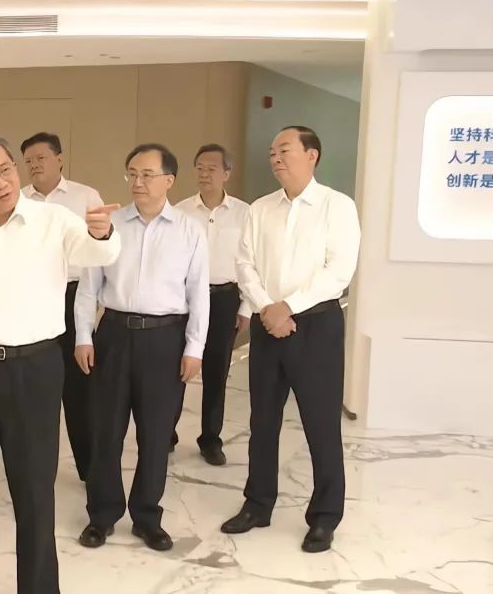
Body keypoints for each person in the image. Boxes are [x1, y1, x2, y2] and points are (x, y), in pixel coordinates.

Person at [0, 131, 121, 593]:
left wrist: (102, 231)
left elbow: (100, 252)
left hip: (34, 368)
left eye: (6, 170)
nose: (1, 183)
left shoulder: (54, 220)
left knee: (33, 490)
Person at [220, 126, 360, 554]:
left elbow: (339, 271)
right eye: (272, 152)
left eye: (284, 150)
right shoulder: (260, 208)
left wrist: (289, 306)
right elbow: (244, 264)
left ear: (311, 155)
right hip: (268, 325)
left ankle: (324, 517)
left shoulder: (337, 205)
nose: (275, 158)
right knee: (262, 421)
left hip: (316, 326)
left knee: (321, 423)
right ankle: (257, 504)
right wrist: (268, 307)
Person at [75, 143, 209, 552]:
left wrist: (195, 347)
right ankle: (101, 516)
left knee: (155, 435)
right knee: (105, 431)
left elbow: (198, 292)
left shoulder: (189, 230)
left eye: (147, 174)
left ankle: (147, 517)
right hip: (114, 335)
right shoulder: (111, 225)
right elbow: (88, 287)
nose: (138, 182)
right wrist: (83, 336)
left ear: (169, 180)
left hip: (165, 340)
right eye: (132, 173)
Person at [19, 131, 104, 482]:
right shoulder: (18, 200)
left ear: (59, 159)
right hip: (32, 298)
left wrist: (95, 304)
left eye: (41, 157)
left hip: (74, 296)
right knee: (34, 386)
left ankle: (89, 468)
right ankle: (36, 467)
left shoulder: (86, 196)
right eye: (28, 161)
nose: (34, 165)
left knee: (79, 388)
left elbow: (100, 253)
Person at [171, 144, 251, 465]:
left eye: (212, 169)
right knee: (176, 368)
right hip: (185, 299)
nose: (204, 174)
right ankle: (166, 434)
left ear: (226, 174)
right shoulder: (180, 212)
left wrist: (245, 308)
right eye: (200, 168)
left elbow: (251, 263)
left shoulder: (244, 214)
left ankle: (210, 439)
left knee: (217, 371)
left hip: (225, 298)